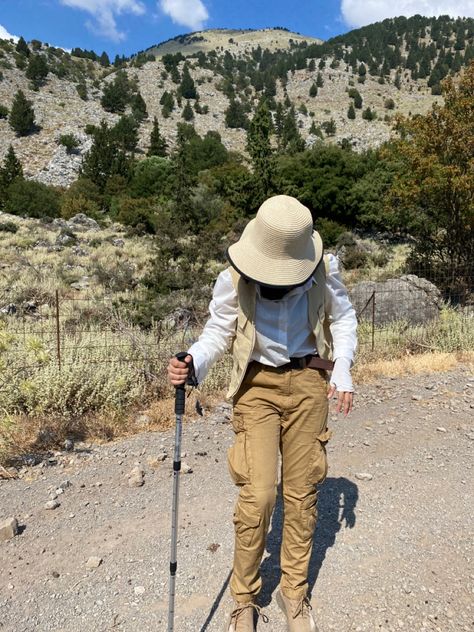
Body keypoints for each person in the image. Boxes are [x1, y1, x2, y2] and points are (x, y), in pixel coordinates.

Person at [168, 195, 357, 632]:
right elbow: (218, 330)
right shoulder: (233, 278)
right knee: (258, 494)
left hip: (309, 382)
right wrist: (194, 360)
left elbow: (343, 320)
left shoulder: (324, 269)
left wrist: (342, 370)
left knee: (302, 491)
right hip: (256, 386)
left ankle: (295, 592)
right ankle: (244, 599)